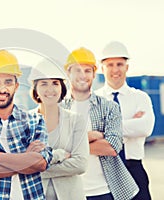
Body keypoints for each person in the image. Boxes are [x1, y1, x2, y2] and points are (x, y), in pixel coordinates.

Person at [62, 47, 139, 200]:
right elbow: (52, 146)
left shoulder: (109, 107)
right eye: (77, 70)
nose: (82, 75)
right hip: (68, 192)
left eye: (87, 70)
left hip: (103, 191)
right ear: (68, 74)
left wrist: (70, 146)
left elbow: (112, 147)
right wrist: (92, 136)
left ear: (94, 74)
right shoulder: (57, 109)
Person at [0, 50, 52, 200]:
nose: (2, 88)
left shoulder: (35, 120)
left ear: (16, 86)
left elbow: (41, 163)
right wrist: (26, 158)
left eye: (8, 82)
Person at [95, 41, 155, 200]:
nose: (115, 70)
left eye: (120, 64)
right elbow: (87, 134)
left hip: (133, 169)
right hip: (103, 171)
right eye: (110, 65)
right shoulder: (94, 100)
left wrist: (105, 131)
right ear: (102, 68)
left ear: (127, 67)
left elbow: (145, 128)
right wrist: (130, 126)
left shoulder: (140, 97)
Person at [28, 58, 89, 200]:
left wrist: (38, 167)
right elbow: (21, 165)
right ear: (36, 90)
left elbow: (80, 164)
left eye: (55, 83)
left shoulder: (76, 120)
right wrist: (59, 155)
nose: (50, 89)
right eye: (44, 84)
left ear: (62, 88)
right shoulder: (24, 122)